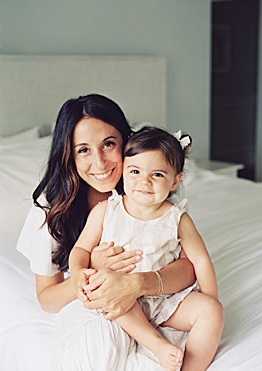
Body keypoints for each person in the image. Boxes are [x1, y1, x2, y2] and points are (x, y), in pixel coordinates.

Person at [16, 94, 197, 369]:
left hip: (153, 294)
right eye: (83, 150)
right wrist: (90, 266)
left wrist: (139, 283)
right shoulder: (49, 211)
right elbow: (47, 300)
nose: (100, 163)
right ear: (68, 156)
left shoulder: (146, 182)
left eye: (108, 144)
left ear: (126, 142)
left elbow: (188, 265)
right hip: (91, 296)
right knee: (102, 343)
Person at [68, 127, 223, 371]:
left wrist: (211, 299)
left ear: (175, 180)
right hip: (122, 301)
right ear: (123, 172)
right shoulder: (106, 210)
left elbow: (201, 261)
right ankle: (157, 344)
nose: (144, 181)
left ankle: (191, 367)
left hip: (166, 299)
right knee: (104, 293)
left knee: (212, 312)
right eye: (135, 171)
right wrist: (77, 272)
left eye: (158, 174)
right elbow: (81, 250)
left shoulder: (177, 218)